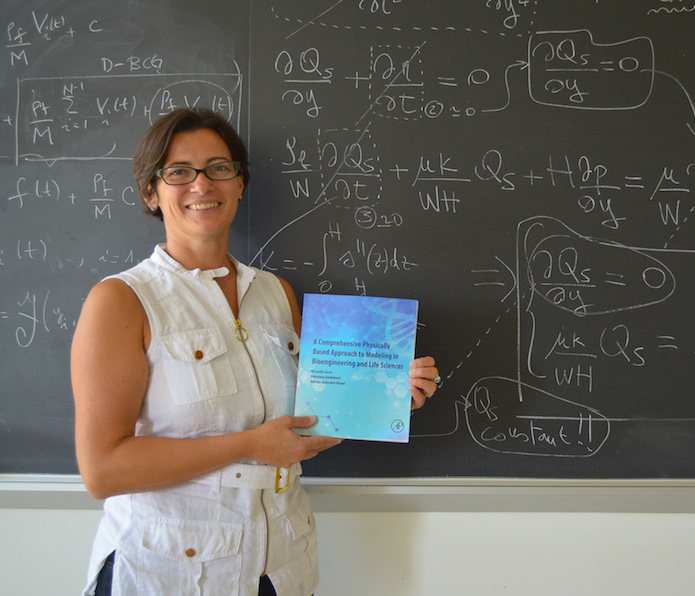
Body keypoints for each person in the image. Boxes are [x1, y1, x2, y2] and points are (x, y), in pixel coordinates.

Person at [71, 108, 440, 596]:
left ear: (240, 183)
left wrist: (386, 394)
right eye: (179, 172)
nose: (202, 185)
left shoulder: (276, 293)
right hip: (172, 571)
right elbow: (103, 471)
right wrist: (249, 446)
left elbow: (313, 419)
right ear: (151, 192)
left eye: (219, 168)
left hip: (280, 566)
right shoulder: (121, 301)